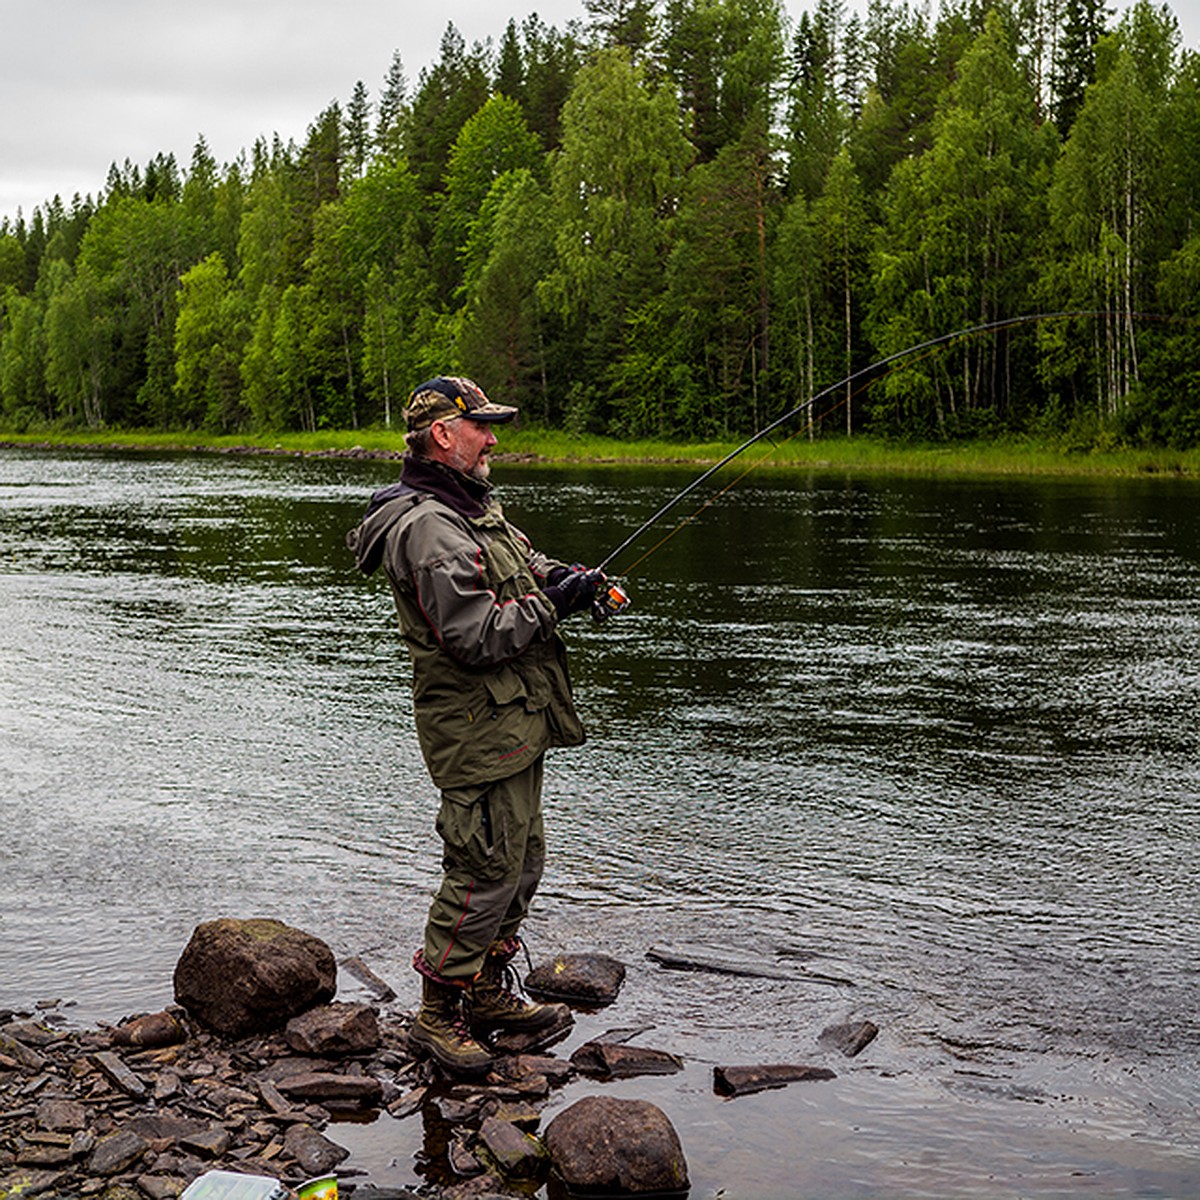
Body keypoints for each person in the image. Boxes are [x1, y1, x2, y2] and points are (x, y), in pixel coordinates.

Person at [346, 375, 601, 1075]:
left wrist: (573, 580)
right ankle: (435, 1017)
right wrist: (559, 606)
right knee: (482, 869)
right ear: (443, 434)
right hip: (474, 727)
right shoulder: (427, 525)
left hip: (514, 718)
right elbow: (476, 635)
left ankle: (486, 992)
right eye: (483, 427)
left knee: (522, 864)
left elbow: (523, 567)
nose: (493, 439)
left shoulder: (468, 505)